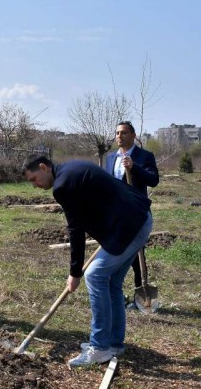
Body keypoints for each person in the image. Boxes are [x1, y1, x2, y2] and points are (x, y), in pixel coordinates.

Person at [22, 155, 153, 368]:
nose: (35, 186)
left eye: (34, 179)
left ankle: (100, 348)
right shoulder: (71, 167)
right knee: (111, 282)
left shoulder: (62, 185)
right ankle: (114, 344)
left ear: (44, 167)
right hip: (138, 218)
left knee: (94, 275)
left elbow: (76, 229)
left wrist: (75, 273)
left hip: (131, 226)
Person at [105, 121, 159, 295]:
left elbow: (153, 180)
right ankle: (115, 293)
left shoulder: (145, 156)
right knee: (114, 252)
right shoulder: (111, 158)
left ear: (133, 136)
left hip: (136, 214)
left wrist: (134, 167)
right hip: (116, 215)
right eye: (117, 133)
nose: (119, 136)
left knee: (137, 255)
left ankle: (140, 290)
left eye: (124, 133)